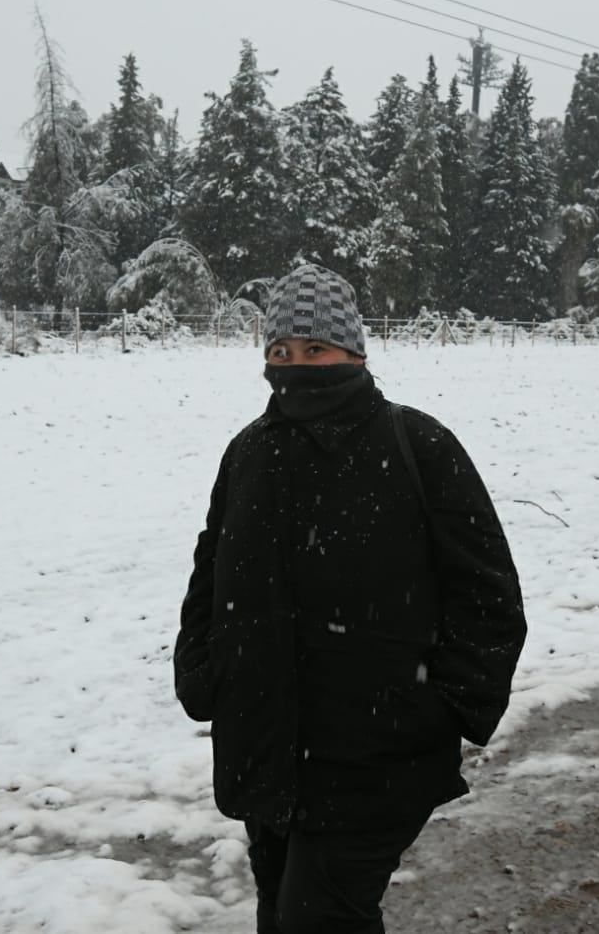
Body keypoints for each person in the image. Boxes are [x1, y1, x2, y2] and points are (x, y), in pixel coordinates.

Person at [173, 264, 527, 933]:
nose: (295, 366)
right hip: (263, 743)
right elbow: (209, 571)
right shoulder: (249, 451)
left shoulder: (418, 445)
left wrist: (441, 706)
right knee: (280, 910)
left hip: (377, 755)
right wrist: (201, 670)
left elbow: (488, 595)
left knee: (320, 918)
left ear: (354, 353)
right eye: (280, 351)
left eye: (314, 350)